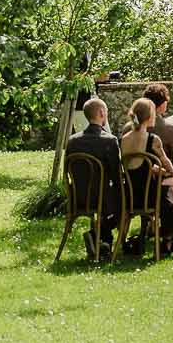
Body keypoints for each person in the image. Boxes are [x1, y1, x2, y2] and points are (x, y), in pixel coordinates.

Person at [120, 96, 173, 244]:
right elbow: (166, 162)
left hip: (130, 190)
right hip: (149, 192)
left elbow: (139, 164)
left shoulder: (125, 138)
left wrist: (160, 170)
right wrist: (172, 171)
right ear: (149, 116)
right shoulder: (153, 139)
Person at [64, 97, 122, 259]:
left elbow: (68, 169)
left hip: (77, 197)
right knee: (127, 201)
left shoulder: (72, 140)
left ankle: (102, 244)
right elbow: (115, 174)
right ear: (102, 113)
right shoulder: (109, 141)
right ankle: (97, 234)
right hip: (101, 199)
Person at [141, 84, 173, 168]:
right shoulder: (169, 128)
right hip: (160, 176)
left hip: (134, 177)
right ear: (162, 105)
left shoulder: (130, 128)